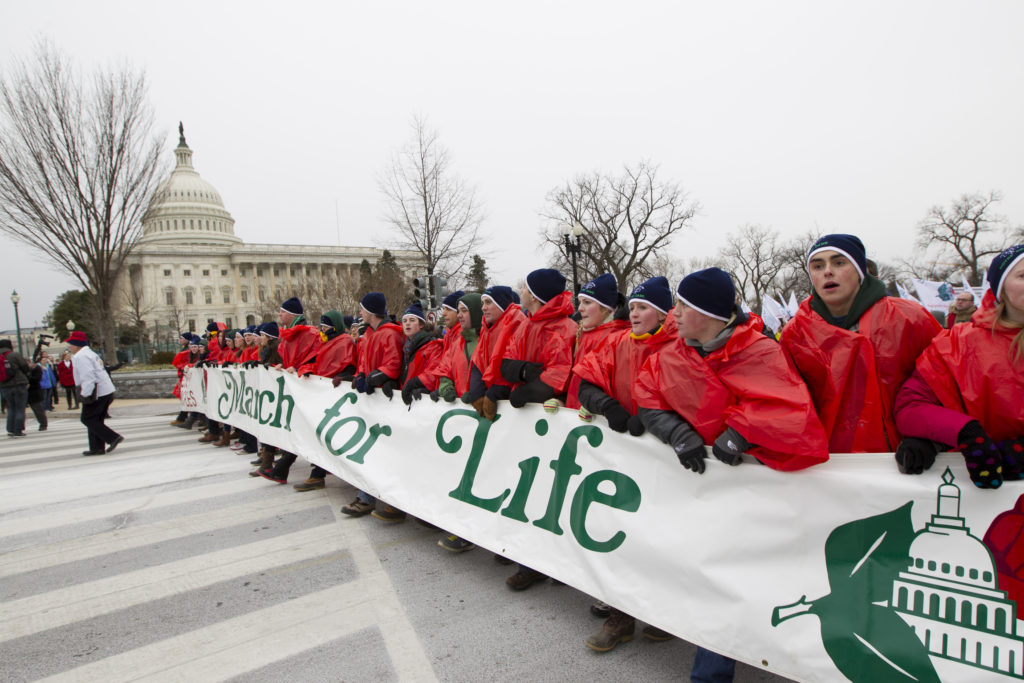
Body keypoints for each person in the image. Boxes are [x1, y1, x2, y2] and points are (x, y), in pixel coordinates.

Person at [634, 268, 828, 677]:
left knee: (747, 578)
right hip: (704, 490)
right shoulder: (672, 354)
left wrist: (740, 432)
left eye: (685, 305)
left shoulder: (759, 351)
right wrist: (679, 435)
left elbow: (791, 410)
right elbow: (647, 397)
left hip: (759, 496)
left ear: (709, 312)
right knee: (714, 577)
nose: (676, 313)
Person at [573, 276, 677, 651]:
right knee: (617, 532)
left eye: (643, 307)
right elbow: (584, 381)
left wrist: (651, 421)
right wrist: (609, 406)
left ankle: (664, 612)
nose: (633, 313)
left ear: (663, 314)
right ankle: (620, 617)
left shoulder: (679, 348)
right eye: (631, 307)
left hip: (663, 460)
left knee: (659, 536)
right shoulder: (617, 343)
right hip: (621, 456)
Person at [780, 234, 941, 452]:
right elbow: (788, 401)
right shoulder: (795, 333)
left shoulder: (910, 318)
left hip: (902, 457)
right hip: (830, 463)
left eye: (839, 262)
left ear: (859, 270)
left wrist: (929, 435)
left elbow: (942, 384)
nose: (827, 271)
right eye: (817, 266)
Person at [893, 244, 1024, 488]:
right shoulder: (957, 343)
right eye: (1022, 275)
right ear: (1001, 289)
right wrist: (964, 433)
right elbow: (911, 407)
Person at [499, 269, 577, 591]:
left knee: (555, 496)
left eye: (526, 287)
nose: (520, 291)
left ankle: (560, 564)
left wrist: (527, 387)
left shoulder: (564, 327)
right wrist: (528, 372)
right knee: (528, 490)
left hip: (554, 422)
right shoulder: (526, 324)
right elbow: (506, 363)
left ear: (536, 294)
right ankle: (530, 561)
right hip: (528, 424)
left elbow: (559, 376)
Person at [340, 292, 405, 516]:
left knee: (382, 451)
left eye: (362, 309)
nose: (359, 313)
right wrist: (360, 375)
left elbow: (393, 363)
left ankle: (376, 498)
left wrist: (377, 377)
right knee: (369, 451)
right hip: (372, 402)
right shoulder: (368, 334)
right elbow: (364, 362)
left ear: (371, 311)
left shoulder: (390, 333)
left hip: (386, 402)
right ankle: (365, 496)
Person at [292, 311, 359, 491]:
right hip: (323, 396)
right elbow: (316, 362)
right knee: (322, 436)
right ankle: (317, 474)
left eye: (326, 327)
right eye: (322, 326)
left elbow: (350, 366)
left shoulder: (345, 342)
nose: (323, 330)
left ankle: (321, 474)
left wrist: (342, 376)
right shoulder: (324, 343)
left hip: (338, 399)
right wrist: (305, 370)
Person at [460, 285, 525, 419]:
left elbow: (511, 361)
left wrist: (497, 391)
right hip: (491, 396)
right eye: (483, 303)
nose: (483, 307)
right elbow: (478, 359)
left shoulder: (517, 324)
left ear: (501, 305)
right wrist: (476, 390)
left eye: (488, 302)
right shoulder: (487, 327)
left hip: (512, 404)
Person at [566, 273, 629, 411]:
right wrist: (562, 399)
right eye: (580, 302)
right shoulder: (581, 332)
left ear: (606, 307)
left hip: (601, 420)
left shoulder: (619, 337)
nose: (580, 308)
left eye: (587, 302)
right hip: (572, 418)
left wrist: (598, 407)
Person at [67, 331, 124, 456]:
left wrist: (85, 394)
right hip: (105, 390)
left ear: (77, 344)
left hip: (97, 392)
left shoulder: (81, 357)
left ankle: (112, 437)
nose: (69, 346)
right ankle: (96, 447)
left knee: (87, 418)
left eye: (70, 343)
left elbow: (88, 377)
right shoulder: (90, 354)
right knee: (96, 419)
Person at [0, 338, 30, 437]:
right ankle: (18, 429)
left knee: (11, 408)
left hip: (4, 385)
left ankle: (10, 429)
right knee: (20, 408)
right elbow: (25, 367)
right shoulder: (14, 355)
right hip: (19, 383)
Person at [25, 358, 48, 431]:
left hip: (35, 391)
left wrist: (28, 379)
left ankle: (43, 424)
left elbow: (37, 379)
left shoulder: (36, 368)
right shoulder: (24, 370)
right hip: (26, 392)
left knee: (38, 410)